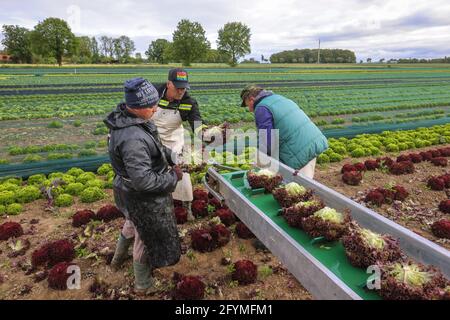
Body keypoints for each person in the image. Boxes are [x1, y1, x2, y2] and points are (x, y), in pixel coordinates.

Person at [104, 77, 183, 294]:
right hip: (139, 196)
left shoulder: (128, 120)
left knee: (131, 222)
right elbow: (145, 181)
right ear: (136, 107)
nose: (156, 109)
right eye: (151, 106)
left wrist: (170, 156)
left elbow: (154, 145)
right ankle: (143, 284)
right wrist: (173, 178)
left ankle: (117, 260)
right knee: (144, 237)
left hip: (125, 191)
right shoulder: (132, 139)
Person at [240, 85, 328, 178]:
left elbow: (267, 142)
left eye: (247, 105)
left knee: (298, 186)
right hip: (313, 141)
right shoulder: (279, 98)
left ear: (251, 99)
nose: (249, 109)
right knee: (303, 184)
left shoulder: (261, 108)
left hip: (298, 149)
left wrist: (256, 167)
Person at [153, 68, 203, 219]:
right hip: (152, 139)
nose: (181, 91)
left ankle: (186, 208)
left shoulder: (188, 102)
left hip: (174, 140)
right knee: (154, 175)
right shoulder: (153, 94)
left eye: (184, 88)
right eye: (178, 87)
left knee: (182, 174)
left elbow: (197, 124)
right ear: (169, 84)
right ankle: (157, 206)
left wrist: (208, 134)